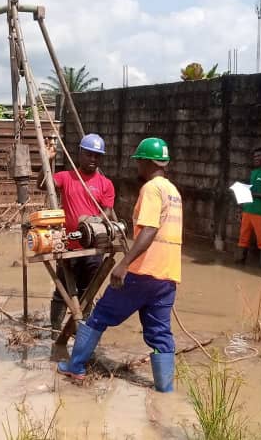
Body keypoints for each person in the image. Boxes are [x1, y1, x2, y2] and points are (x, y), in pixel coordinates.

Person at [57, 137, 183, 393]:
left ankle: (76, 366)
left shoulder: (151, 189)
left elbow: (149, 230)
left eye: (139, 162)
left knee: (98, 317)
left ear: (147, 162)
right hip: (168, 275)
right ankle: (165, 389)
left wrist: (124, 264)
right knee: (160, 334)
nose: (137, 168)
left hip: (143, 271)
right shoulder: (173, 191)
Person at [38, 133, 117, 335]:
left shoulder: (105, 184)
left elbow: (107, 212)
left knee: (87, 293)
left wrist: (93, 223)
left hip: (93, 249)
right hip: (67, 245)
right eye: (89, 154)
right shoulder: (66, 177)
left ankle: (79, 332)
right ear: (80, 153)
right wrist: (46, 160)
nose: (93, 159)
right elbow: (42, 185)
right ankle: (55, 331)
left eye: (97, 156)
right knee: (62, 291)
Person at [237, 147, 261, 269]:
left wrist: (255, 194)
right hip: (247, 209)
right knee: (243, 236)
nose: (257, 158)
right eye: (255, 156)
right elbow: (251, 190)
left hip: (260, 211)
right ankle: (240, 261)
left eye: (259, 156)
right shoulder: (254, 172)